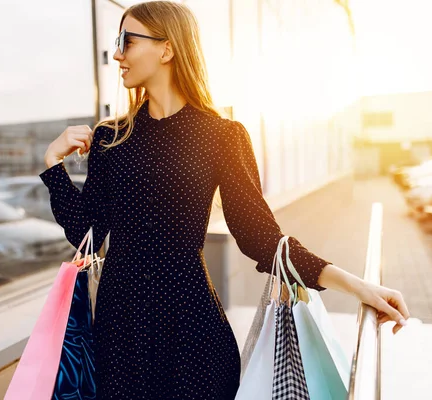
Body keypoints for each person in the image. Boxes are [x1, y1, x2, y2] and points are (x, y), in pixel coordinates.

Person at [39, 1, 410, 398]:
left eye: (126, 41)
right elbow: (86, 233)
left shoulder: (222, 136)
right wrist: (52, 165)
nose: (116, 54)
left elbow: (261, 238)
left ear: (166, 49)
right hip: (120, 338)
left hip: (194, 338)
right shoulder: (112, 139)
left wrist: (356, 286)